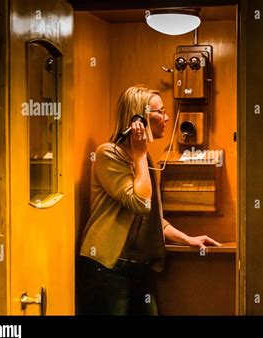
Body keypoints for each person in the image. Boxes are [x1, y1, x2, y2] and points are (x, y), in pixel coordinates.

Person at [77, 85, 221, 315]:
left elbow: (152, 219)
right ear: (139, 119)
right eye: (160, 112)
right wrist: (140, 153)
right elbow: (140, 203)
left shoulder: (145, 159)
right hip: (108, 266)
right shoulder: (108, 154)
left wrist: (187, 239)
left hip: (138, 267)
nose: (166, 118)